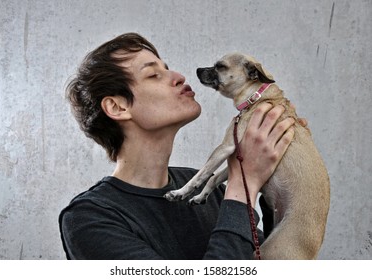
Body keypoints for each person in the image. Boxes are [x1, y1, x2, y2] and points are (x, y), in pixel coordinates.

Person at [59, 33, 296, 260]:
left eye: (166, 67)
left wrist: (280, 169)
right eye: (153, 75)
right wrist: (243, 185)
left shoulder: (209, 191)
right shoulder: (89, 218)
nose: (179, 76)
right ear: (118, 107)